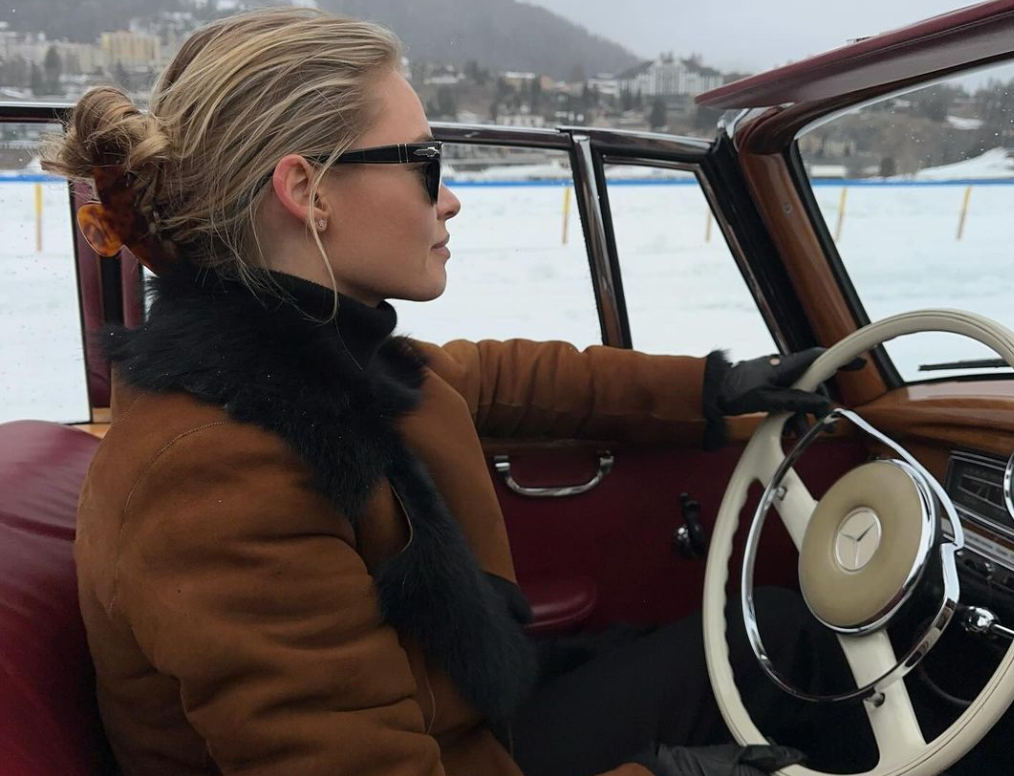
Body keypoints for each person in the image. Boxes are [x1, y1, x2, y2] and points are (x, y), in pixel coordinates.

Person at [41, 8, 844, 776]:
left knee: (776, 633)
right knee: (791, 653)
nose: (450, 198)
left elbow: (488, 377)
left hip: (470, 716)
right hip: (455, 754)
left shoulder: (296, 363)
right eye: (425, 164)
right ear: (308, 192)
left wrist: (714, 387)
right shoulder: (218, 477)